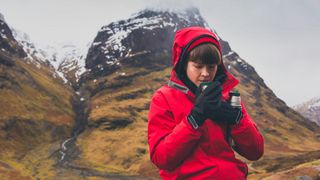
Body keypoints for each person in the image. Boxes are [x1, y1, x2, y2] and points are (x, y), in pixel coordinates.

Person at [148, 26, 264, 179]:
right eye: (198, 66)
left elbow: (255, 152)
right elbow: (162, 159)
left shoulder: (228, 98)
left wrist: (237, 121)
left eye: (211, 67)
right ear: (184, 64)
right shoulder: (164, 98)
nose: (205, 73)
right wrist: (195, 119)